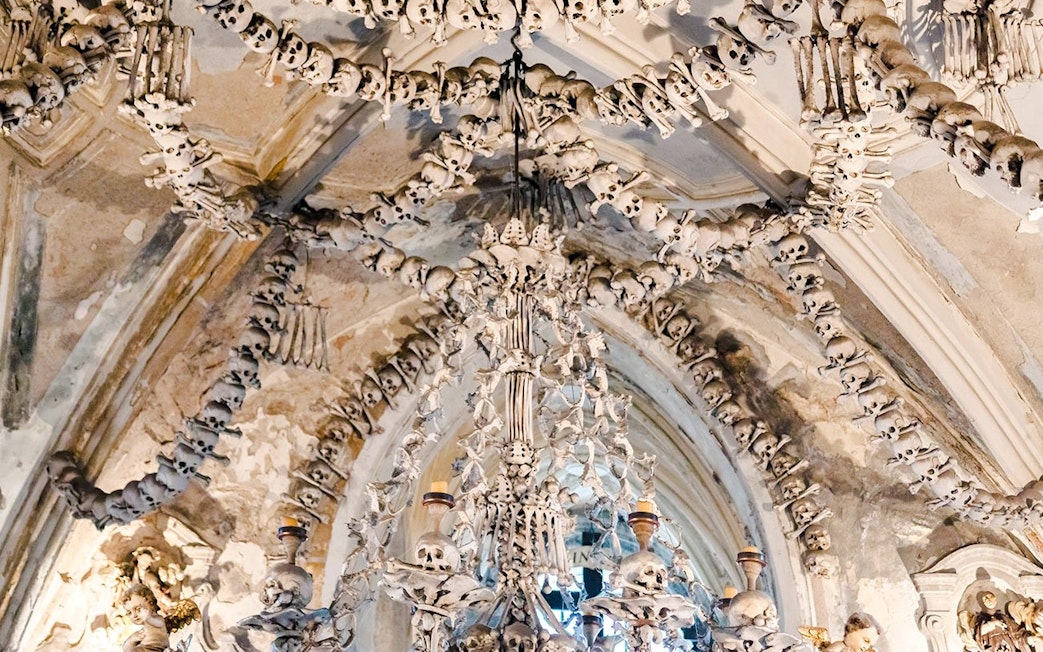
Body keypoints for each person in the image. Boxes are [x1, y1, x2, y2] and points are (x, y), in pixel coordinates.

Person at [121, 584, 170, 652]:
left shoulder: (158, 619)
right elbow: (126, 649)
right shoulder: (142, 631)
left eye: (138, 609)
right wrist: (132, 640)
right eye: (129, 613)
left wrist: (148, 618)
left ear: (151, 604)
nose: (134, 615)